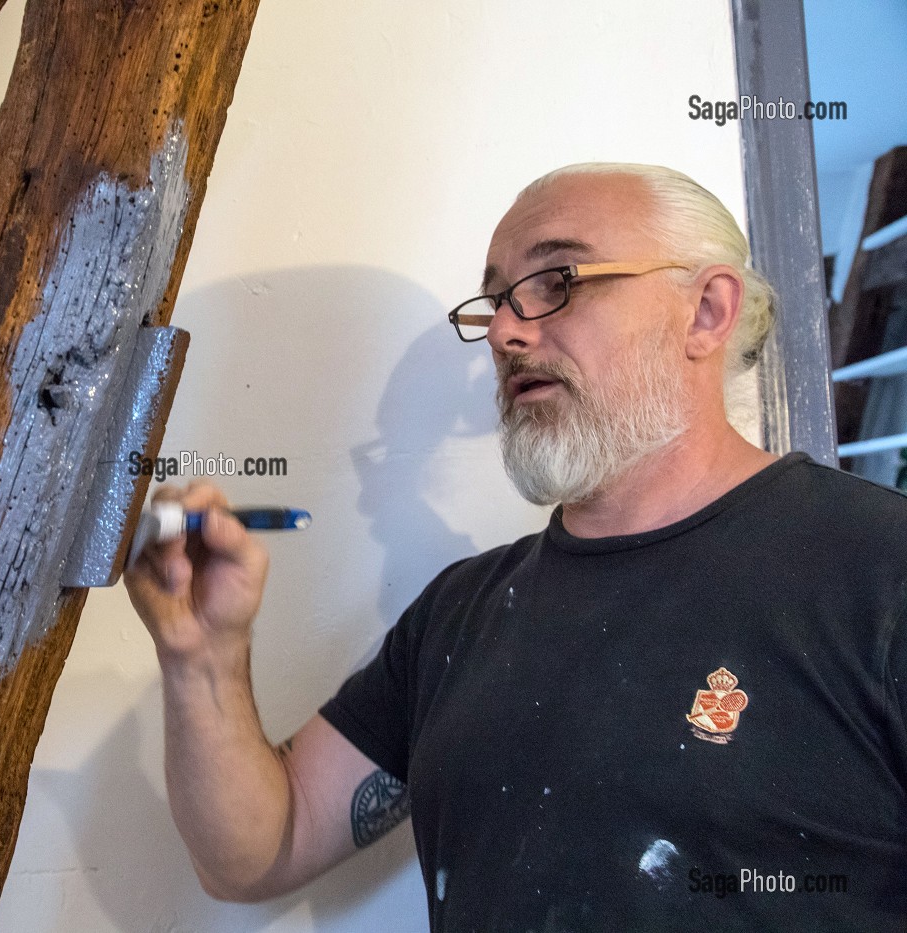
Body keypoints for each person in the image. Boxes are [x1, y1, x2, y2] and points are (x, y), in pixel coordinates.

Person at [123, 163, 907, 931]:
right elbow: (257, 853)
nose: (504, 331)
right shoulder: (458, 614)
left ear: (705, 311)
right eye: (496, 300)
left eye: (557, 279)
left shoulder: (880, 568)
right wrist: (203, 655)